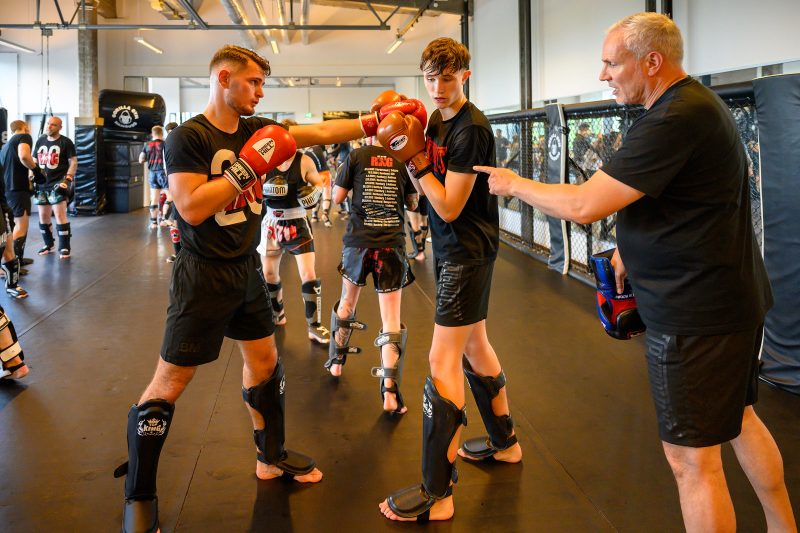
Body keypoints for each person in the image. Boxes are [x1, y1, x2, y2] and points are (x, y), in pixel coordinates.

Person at [477, 13, 796, 533]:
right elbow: (680, 199)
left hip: (695, 318)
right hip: (728, 302)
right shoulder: (693, 105)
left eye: (611, 63)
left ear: (651, 61)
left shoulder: (674, 118)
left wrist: (514, 185)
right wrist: (629, 247)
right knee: (740, 420)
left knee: (691, 461)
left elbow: (583, 204)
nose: (603, 75)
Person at [115, 44, 397, 533]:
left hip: (245, 269)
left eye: (263, 84)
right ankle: (139, 493)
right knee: (171, 382)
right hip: (202, 275)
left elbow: (318, 132)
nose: (260, 93)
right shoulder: (188, 137)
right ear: (224, 78)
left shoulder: (255, 129)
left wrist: (374, 122)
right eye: (253, 82)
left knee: (265, 363)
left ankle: (271, 457)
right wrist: (246, 168)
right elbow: (192, 208)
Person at [376, 37, 523, 522]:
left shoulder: (470, 129)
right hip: (451, 248)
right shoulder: (435, 122)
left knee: (442, 359)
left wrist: (415, 158)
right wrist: (408, 155)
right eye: (430, 78)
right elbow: (424, 193)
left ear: (465, 75)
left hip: (466, 251)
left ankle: (438, 495)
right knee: (476, 345)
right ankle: (506, 444)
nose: (438, 87)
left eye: (447, 77)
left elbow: (450, 205)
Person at [327, 134, 417, 414]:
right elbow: (413, 203)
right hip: (391, 245)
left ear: (369, 133)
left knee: (347, 303)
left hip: (358, 243)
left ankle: (337, 362)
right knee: (391, 319)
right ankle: (390, 392)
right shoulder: (402, 159)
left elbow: (337, 198)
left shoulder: (355, 156)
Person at [257, 123, 330, 344]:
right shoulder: (266, 161)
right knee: (269, 274)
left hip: (297, 222)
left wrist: (314, 193)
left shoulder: (304, 161)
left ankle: (314, 326)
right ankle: (277, 314)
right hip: (272, 222)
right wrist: (263, 191)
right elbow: (254, 189)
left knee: (308, 274)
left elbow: (320, 183)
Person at [33, 116, 77, 259]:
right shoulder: (40, 141)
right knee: (43, 216)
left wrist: (68, 179)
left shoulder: (66, 142)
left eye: (53, 125)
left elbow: (73, 162)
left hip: (57, 183)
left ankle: (64, 246)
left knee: (59, 214)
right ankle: (48, 244)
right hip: (41, 184)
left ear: (60, 127)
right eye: (48, 124)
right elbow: (34, 161)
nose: (49, 126)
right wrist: (31, 176)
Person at [0, 120, 34, 298]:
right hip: (16, 190)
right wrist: (37, 170)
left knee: (8, 238)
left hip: (6, 193)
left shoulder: (4, 147)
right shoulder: (24, 137)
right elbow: (24, 156)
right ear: (25, 128)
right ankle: (15, 263)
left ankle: (14, 273)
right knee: (20, 227)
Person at [139, 126, 168, 230]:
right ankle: (164, 220)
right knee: (170, 197)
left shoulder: (147, 145)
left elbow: (141, 159)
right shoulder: (165, 144)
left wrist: (149, 158)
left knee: (154, 198)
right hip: (162, 173)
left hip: (152, 173)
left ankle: (154, 223)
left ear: (152, 134)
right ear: (162, 133)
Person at [162, 122, 181, 263]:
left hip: (188, 187)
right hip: (176, 187)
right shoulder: (167, 145)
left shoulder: (185, 143)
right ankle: (178, 253)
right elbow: (166, 169)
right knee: (175, 223)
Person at [303, 143, 333, 227]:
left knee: (317, 196)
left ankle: (314, 216)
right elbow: (328, 147)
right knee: (327, 196)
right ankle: (325, 215)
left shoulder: (305, 154)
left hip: (315, 175)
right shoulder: (318, 146)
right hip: (325, 173)